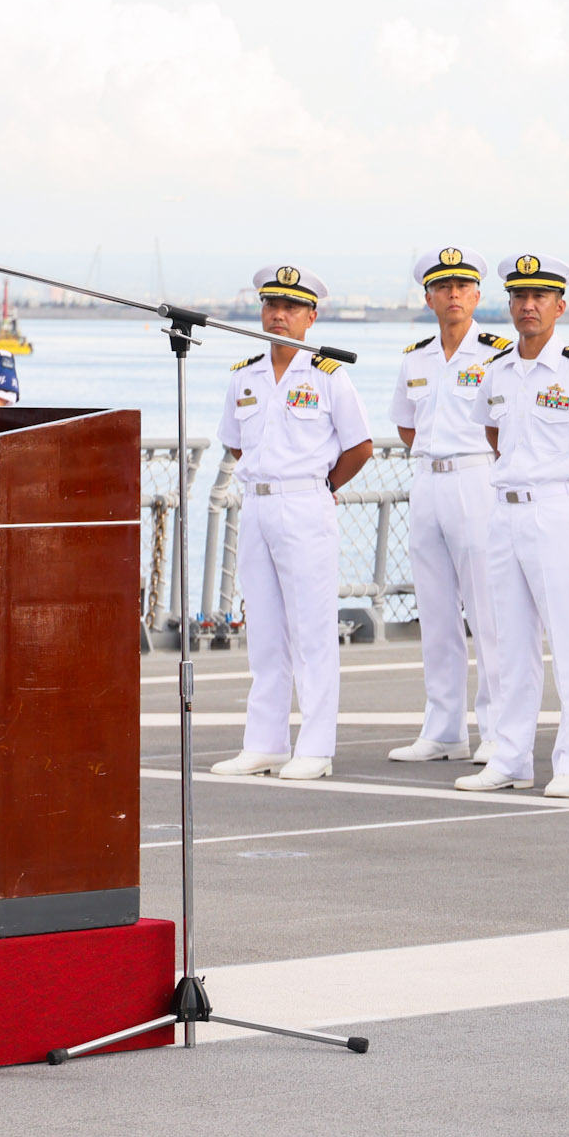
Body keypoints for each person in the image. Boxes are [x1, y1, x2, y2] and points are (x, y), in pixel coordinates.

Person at [458, 254, 569, 798]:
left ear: (560, 306)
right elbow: (493, 431)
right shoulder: (496, 368)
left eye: (540, 297)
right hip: (505, 511)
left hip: (556, 510)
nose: (528, 306)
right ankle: (511, 757)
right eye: (519, 297)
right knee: (510, 642)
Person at [209, 266, 375, 780]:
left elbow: (360, 446)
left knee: (312, 632)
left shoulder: (327, 374)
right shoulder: (245, 373)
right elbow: (235, 442)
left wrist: (323, 486)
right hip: (256, 502)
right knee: (264, 630)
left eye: (290, 307)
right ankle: (266, 742)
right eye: (270, 305)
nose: (277, 315)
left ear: (310, 317)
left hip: (306, 502)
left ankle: (316, 747)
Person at [388, 246, 515, 763]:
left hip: (476, 477)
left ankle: (498, 730)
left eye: (462, 287)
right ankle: (443, 729)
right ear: (428, 297)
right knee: (436, 612)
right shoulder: (415, 356)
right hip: (428, 481)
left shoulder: (499, 352)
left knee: (489, 611)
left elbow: (514, 424)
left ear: (477, 295)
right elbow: (404, 423)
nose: (453, 295)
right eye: (443, 288)